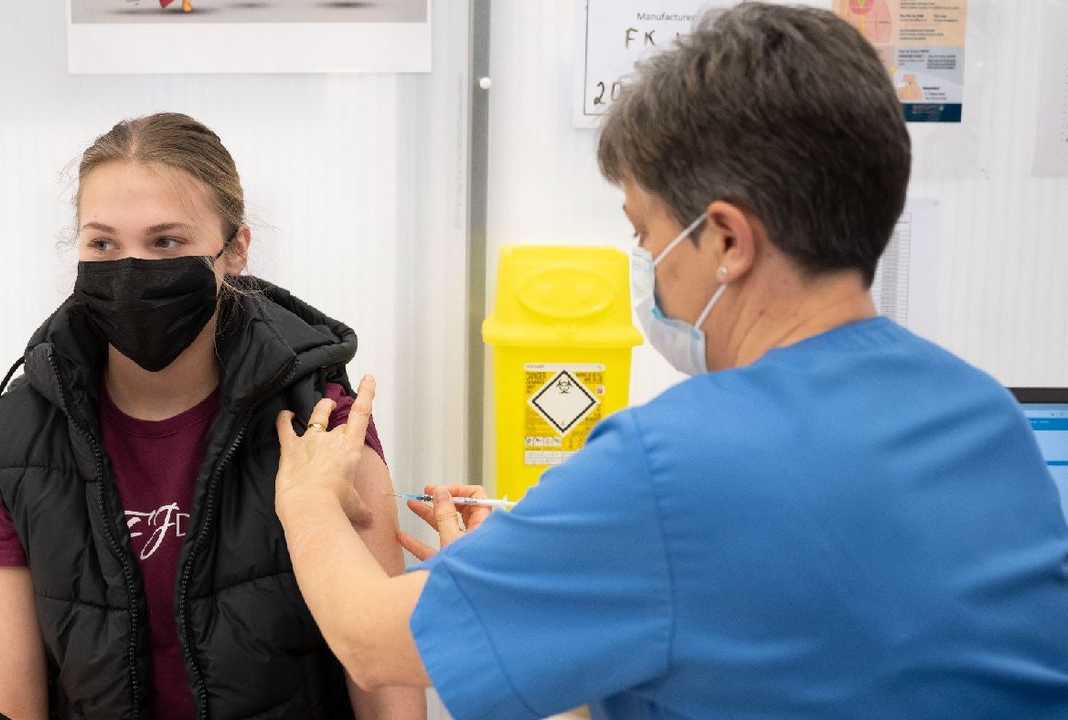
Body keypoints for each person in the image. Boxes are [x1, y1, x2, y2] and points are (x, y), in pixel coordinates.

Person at [271, 4, 1068, 719]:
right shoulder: (982, 413)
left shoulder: (668, 465)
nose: (647, 262)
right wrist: (530, 586)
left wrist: (306, 496)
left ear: (725, 238)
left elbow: (371, 644)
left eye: (645, 233)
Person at [0, 112, 425, 720]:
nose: (129, 269)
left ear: (235, 251)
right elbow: (5, 707)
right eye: (103, 243)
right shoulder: (11, 451)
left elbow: (387, 691)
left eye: (166, 242)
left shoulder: (323, 427)